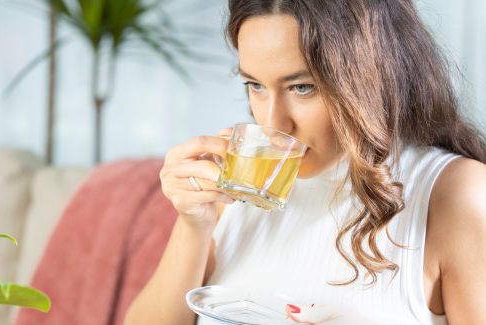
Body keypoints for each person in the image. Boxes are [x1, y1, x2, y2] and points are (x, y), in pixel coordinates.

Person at [124, 0, 486, 324]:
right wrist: (194, 226)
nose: (272, 123)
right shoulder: (243, 189)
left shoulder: (457, 195)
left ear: (372, 75)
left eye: (302, 87)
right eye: (255, 85)